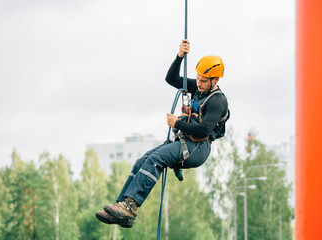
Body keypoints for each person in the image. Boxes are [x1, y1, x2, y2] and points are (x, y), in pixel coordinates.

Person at [95, 39, 229, 228]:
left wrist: (178, 123)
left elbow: (204, 130)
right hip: (185, 142)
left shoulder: (218, 101)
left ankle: (131, 207)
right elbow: (171, 79)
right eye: (197, 78)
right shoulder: (199, 88)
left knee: (156, 159)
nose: (198, 83)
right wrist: (179, 56)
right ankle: (122, 206)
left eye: (203, 81)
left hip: (198, 148)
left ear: (215, 80)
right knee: (142, 160)